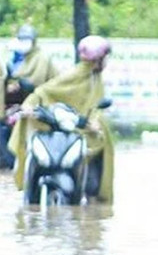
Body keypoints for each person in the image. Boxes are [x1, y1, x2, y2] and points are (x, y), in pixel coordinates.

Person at [9, 35, 115, 203]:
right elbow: (45, 90)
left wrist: (95, 121)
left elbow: (95, 106)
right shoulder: (76, 74)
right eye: (105, 58)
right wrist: (29, 105)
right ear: (98, 59)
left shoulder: (96, 79)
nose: (107, 62)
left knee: (98, 166)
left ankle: (93, 201)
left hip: (87, 131)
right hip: (66, 128)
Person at [2, 24, 60, 169]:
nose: (24, 43)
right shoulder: (25, 59)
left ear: (34, 41)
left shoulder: (41, 58)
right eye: (21, 40)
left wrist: (19, 84)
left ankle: (14, 161)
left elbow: (36, 83)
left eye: (27, 40)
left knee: (6, 125)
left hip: (41, 103)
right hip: (25, 102)